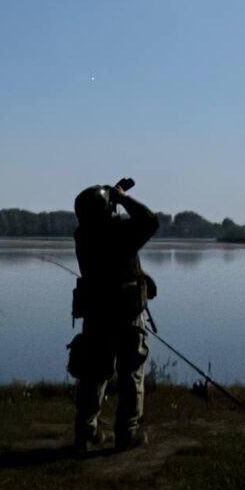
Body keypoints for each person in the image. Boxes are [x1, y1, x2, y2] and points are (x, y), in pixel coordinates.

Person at [69, 179, 159, 453]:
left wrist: (109, 199)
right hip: (126, 315)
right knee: (131, 373)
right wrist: (121, 198)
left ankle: (86, 433)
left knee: (93, 375)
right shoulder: (119, 230)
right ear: (107, 208)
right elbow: (149, 221)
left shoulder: (82, 235)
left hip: (96, 316)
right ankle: (127, 433)